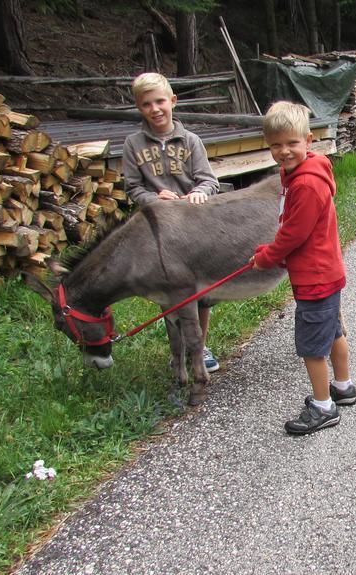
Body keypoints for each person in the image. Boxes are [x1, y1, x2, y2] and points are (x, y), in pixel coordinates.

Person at [251, 101, 356, 435]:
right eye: (275, 145)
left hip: (314, 277)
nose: (283, 151)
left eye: (292, 143)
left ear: (308, 141)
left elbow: (294, 233)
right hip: (326, 271)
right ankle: (343, 387)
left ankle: (324, 407)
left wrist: (267, 256)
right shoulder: (299, 172)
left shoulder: (306, 184)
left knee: (312, 346)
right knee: (334, 331)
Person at [122, 72, 222, 372]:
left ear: (173, 101)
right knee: (171, 293)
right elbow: (132, 187)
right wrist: (154, 199)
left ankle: (200, 346)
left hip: (193, 227)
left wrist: (197, 194)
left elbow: (209, 180)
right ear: (139, 108)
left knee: (200, 293)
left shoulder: (191, 141)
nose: (155, 109)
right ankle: (177, 350)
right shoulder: (133, 144)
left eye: (160, 101)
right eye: (146, 104)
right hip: (159, 231)